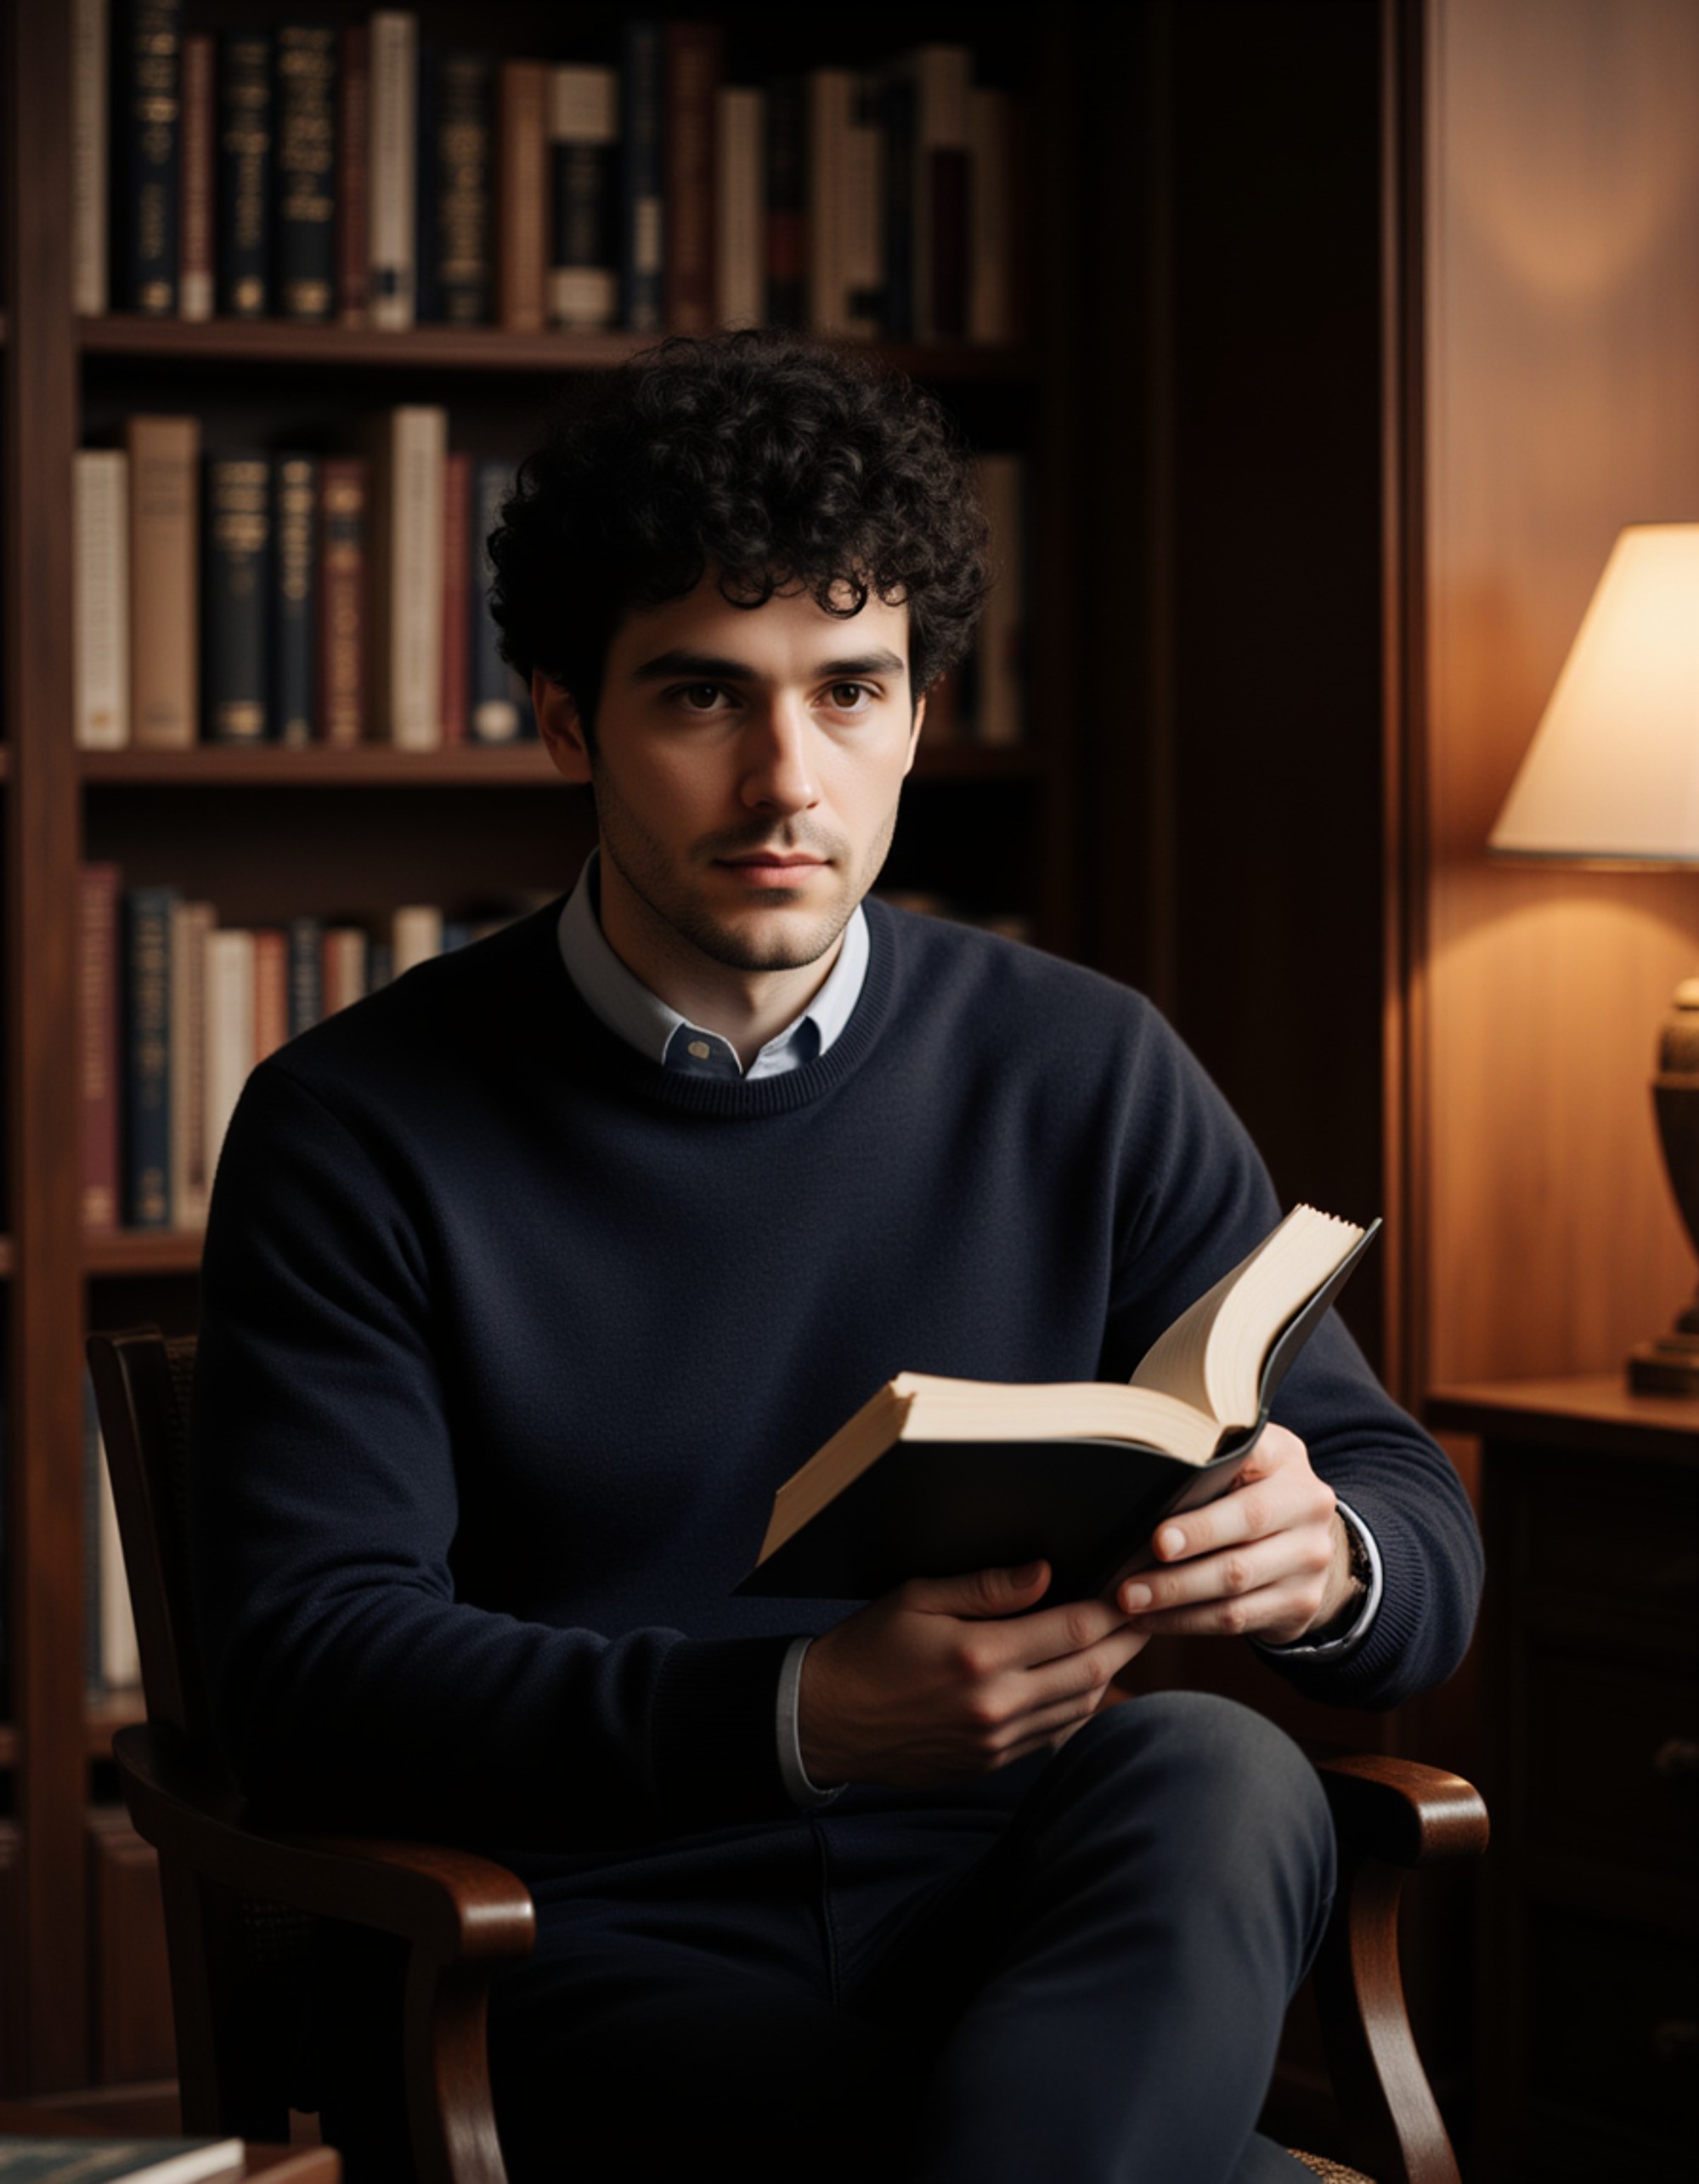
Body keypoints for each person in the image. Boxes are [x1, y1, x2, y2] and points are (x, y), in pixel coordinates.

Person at [189, 330, 1482, 2184]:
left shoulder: (1085, 1063)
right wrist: (800, 1716)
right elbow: (313, 1670)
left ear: (917, 715)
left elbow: (1409, 1524)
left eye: (849, 690)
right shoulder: (353, 1125)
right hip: (570, 1943)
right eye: (702, 695)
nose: (786, 778)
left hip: (1026, 1924)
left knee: (1222, 1770)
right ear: (566, 719)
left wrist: (1328, 1554)